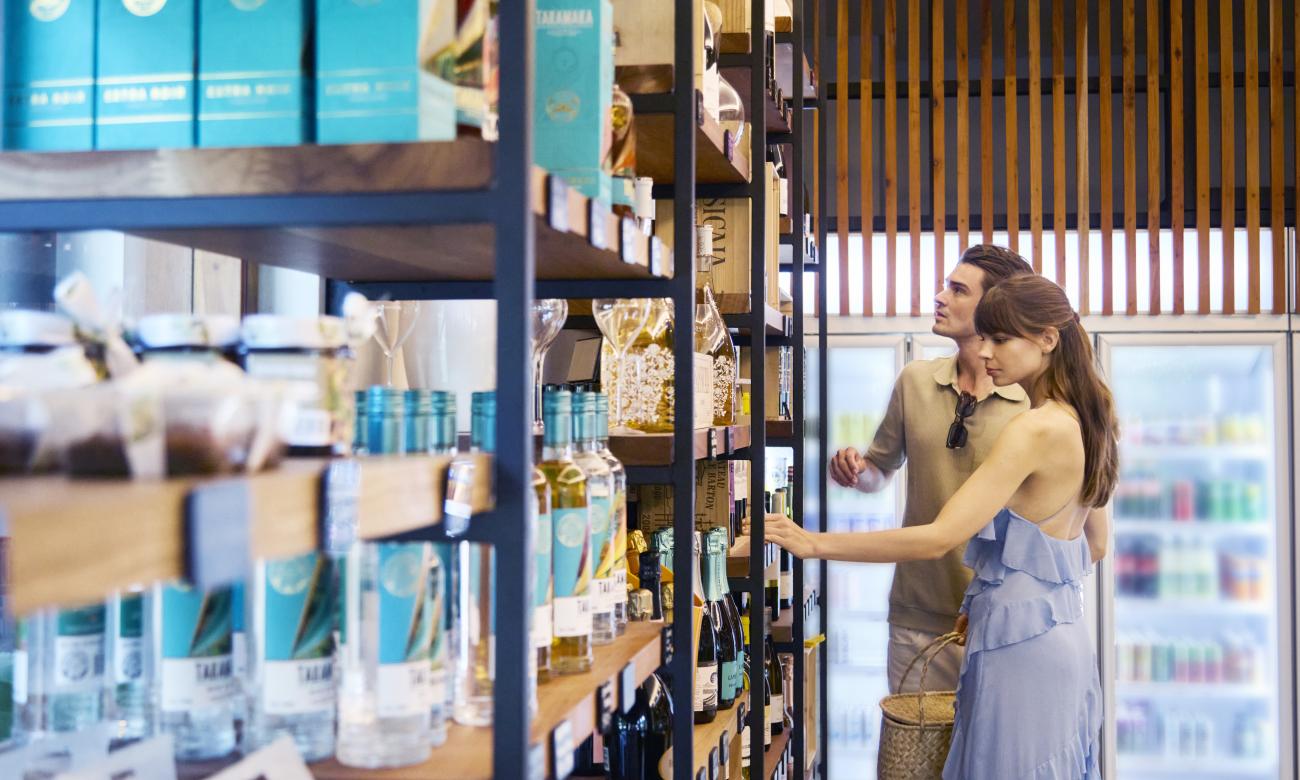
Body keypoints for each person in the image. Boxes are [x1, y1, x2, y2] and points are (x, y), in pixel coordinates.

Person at [768, 274, 1116, 778]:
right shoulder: (1087, 417)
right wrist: (1014, 596)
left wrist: (812, 543)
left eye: (1000, 338)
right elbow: (1097, 544)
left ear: (1048, 338)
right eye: (986, 336)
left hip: (1014, 648)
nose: (987, 350)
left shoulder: (1034, 428)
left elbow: (939, 536)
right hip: (1060, 638)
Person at [827, 244, 1033, 694]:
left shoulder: (1033, 401)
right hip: (916, 616)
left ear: (995, 306)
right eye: (945, 285)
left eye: (957, 290)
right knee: (912, 762)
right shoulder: (914, 381)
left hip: (1003, 620)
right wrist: (855, 470)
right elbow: (879, 470)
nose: (940, 297)